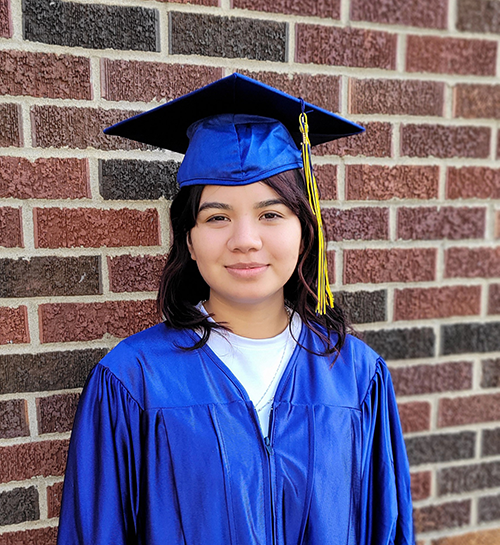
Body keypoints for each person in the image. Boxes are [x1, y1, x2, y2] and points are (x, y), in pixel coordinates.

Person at [57, 73, 414, 545]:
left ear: (304, 231)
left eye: (271, 214)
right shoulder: (132, 382)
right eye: (218, 217)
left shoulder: (357, 377)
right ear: (189, 238)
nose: (245, 240)